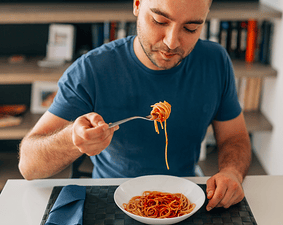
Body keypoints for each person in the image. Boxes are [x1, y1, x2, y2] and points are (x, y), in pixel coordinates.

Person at [19, 0, 251, 211]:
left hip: (186, 198)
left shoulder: (215, 62)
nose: (171, 42)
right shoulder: (92, 70)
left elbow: (235, 138)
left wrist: (232, 172)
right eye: (160, 21)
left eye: (190, 28)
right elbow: (28, 166)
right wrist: (72, 139)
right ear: (137, 5)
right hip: (112, 200)